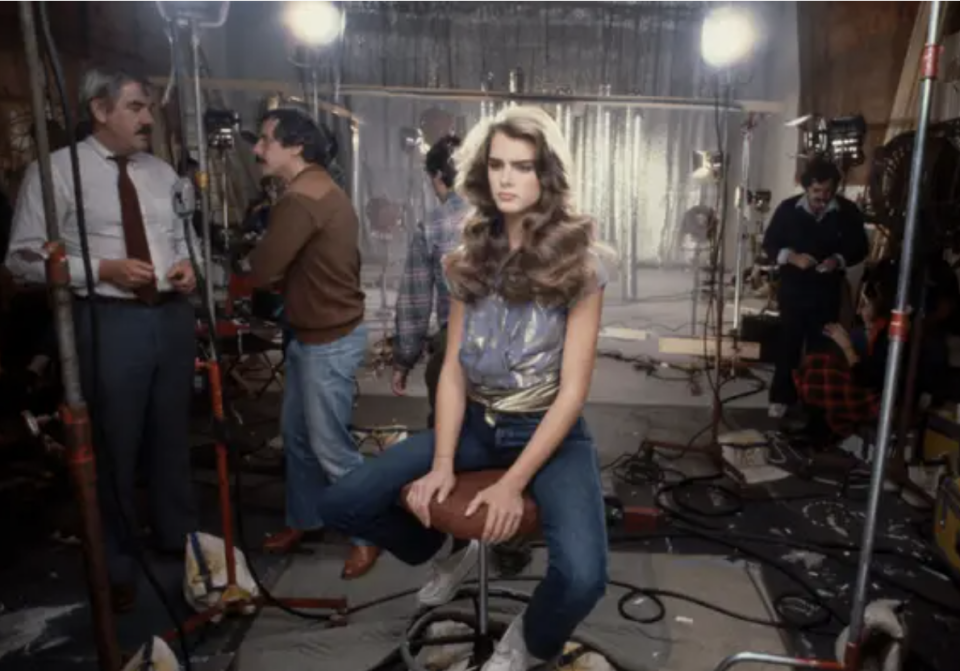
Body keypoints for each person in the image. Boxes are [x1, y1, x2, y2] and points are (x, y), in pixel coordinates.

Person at [318, 105, 610, 670]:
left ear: (546, 176)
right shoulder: (466, 257)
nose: (506, 178)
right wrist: (444, 463)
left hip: (548, 429)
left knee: (583, 577)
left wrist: (513, 485)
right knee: (342, 502)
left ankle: (526, 645)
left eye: (522, 167)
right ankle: (439, 549)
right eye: (496, 164)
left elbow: (573, 390)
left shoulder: (584, 265)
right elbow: (451, 367)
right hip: (477, 422)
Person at [4, 66, 199, 613]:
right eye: (136, 107)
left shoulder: (161, 173)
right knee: (116, 441)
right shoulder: (58, 171)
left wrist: (189, 268)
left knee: (171, 435)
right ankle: (115, 557)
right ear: (100, 109)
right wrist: (102, 269)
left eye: (149, 109)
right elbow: (21, 257)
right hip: (109, 321)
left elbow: (183, 239)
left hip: (171, 316)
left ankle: (178, 541)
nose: (147, 118)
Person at [248, 108, 379, 579]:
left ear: (296, 146)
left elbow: (263, 271)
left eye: (266, 140)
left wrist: (250, 260)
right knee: (300, 441)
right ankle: (304, 520)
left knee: (331, 449)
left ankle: (369, 534)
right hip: (314, 337)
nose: (259, 149)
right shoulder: (323, 186)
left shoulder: (300, 199)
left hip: (328, 341)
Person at [762, 158, 869, 420]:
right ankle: (781, 397)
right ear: (806, 187)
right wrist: (791, 257)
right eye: (817, 193)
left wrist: (838, 260)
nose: (823, 198)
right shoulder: (788, 209)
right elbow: (770, 244)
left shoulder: (847, 212)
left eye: (828, 192)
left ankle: (816, 404)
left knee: (821, 348)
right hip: (794, 290)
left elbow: (860, 248)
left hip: (827, 291)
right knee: (788, 345)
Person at [392, 135, 470, 426]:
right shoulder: (504, 218)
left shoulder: (434, 226)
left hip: (454, 345)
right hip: (508, 350)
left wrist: (403, 359)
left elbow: (416, 301)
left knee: (447, 431)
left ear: (437, 175)